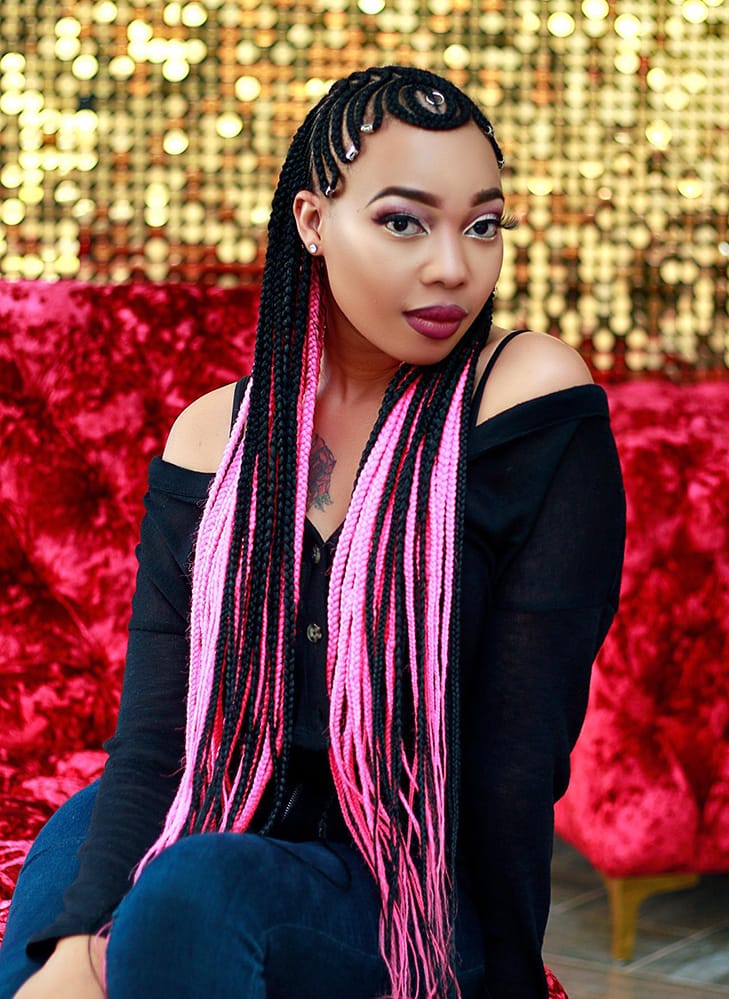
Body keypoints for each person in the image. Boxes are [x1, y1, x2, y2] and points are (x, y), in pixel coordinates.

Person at [0, 65, 625, 999]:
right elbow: (156, 743)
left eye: (482, 224)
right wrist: (79, 937)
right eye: (404, 221)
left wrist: (494, 977)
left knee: (189, 897)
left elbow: (516, 763)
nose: (454, 264)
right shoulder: (212, 436)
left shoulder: (526, 396)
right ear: (311, 224)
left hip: (400, 877)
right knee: (51, 937)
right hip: (211, 800)